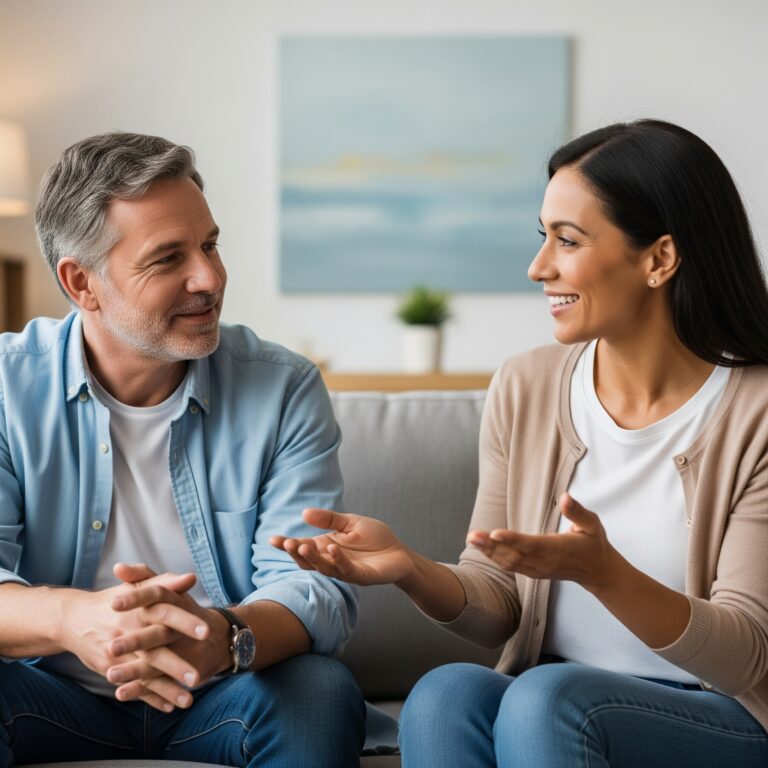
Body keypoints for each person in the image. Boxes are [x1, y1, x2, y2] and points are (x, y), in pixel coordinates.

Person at [272, 119, 768, 767]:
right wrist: (409, 568)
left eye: (567, 240)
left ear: (659, 259)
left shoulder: (754, 411)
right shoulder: (526, 385)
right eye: (544, 237)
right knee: (446, 693)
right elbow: (499, 603)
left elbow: (746, 651)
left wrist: (604, 574)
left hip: (720, 716)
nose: (539, 267)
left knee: (548, 697)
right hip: (557, 696)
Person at [0, 132, 365, 767]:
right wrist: (71, 619)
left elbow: (313, 589)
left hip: (227, 695)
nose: (210, 277)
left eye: (211, 244)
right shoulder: (6, 388)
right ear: (81, 282)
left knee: (319, 691)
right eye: (168, 258)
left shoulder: (282, 387)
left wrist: (222, 638)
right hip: (48, 692)